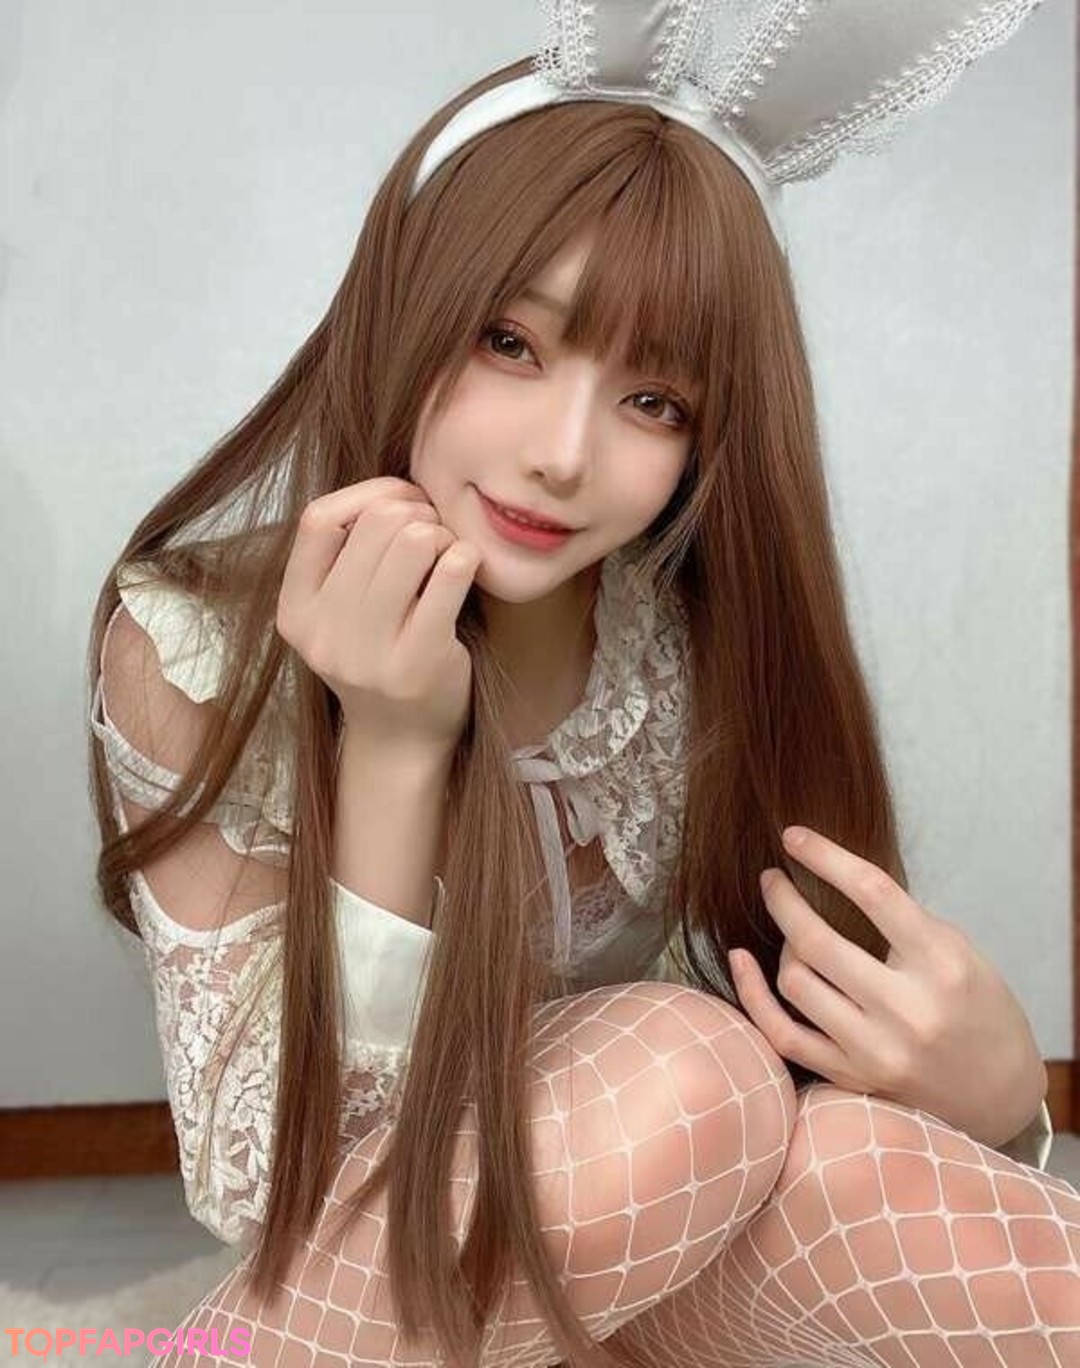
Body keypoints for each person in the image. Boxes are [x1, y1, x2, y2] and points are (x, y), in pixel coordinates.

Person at [86, 5, 1077, 1365]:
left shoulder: (686, 645)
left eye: (655, 401)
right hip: (367, 1305)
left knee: (838, 1155)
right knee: (694, 1073)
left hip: (641, 1272)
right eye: (511, 341)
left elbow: (810, 1114)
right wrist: (394, 745)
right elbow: (278, 1199)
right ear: (410, 302)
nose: (564, 452)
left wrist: (1007, 1104)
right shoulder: (194, 647)